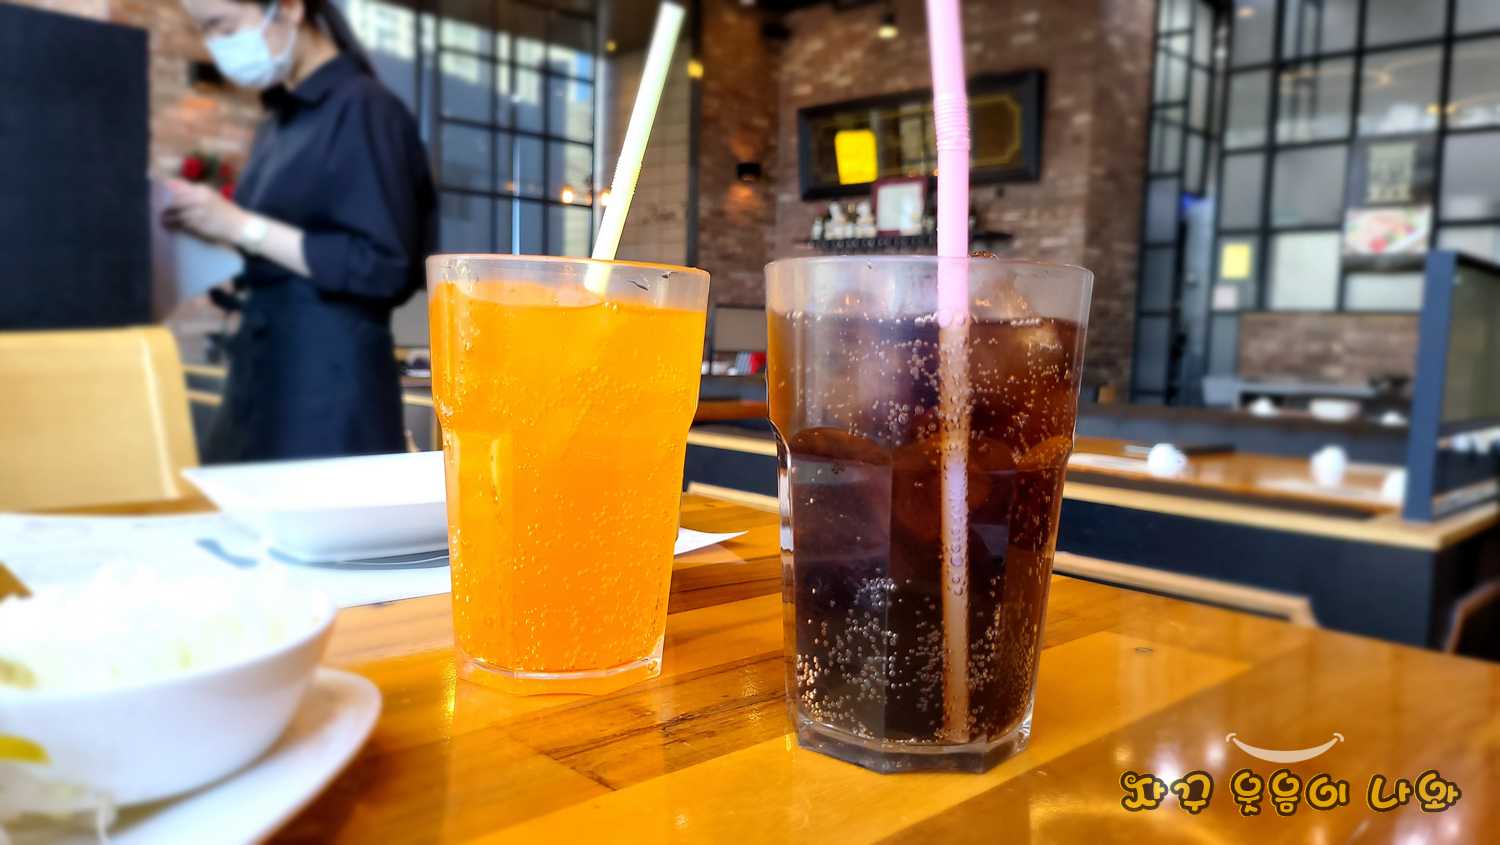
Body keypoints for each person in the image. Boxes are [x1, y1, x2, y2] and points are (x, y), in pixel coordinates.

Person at [166, 0, 436, 461]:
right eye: (205, 31)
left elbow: (381, 266)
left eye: (223, 27)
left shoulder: (366, 108)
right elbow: (281, 249)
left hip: (328, 381)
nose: (215, 46)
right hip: (263, 369)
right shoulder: (276, 123)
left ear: (290, 8)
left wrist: (240, 225)